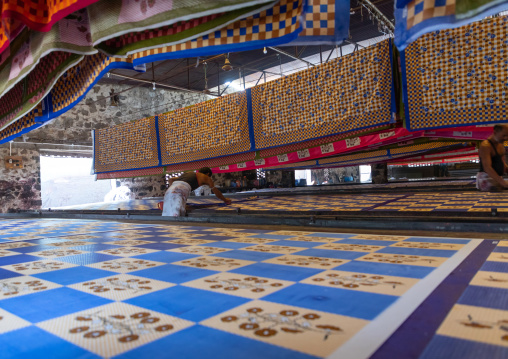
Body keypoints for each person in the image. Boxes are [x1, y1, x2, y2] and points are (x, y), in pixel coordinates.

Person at [162, 167, 231, 216]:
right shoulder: (206, 177)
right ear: (207, 174)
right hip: (181, 190)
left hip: (169, 191)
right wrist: (225, 200)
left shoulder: (189, 173)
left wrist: (173, 192)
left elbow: (170, 180)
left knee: (167, 212)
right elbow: (216, 191)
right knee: (177, 213)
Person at [477, 124, 508, 191]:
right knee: (497, 188)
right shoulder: (486, 146)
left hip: (497, 178)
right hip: (486, 178)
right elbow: (487, 168)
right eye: (504, 135)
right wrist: (503, 183)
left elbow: (503, 164)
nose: (506, 138)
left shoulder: (500, 145)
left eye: (507, 136)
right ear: (495, 133)